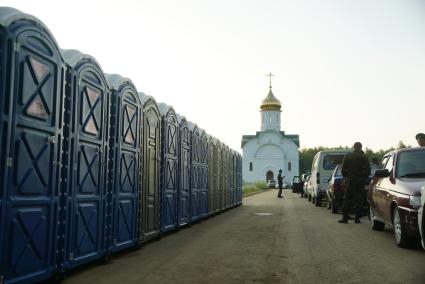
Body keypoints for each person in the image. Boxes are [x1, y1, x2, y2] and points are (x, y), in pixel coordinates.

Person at [339, 142, 371, 224]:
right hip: (360, 182)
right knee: (359, 200)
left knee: (347, 199)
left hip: (350, 180)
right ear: (361, 147)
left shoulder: (348, 156)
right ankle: (357, 219)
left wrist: (347, 177)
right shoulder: (364, 157)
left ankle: (345, 218)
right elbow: (368, 171)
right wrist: (363, 178)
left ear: (354, 147)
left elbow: (343, 170)